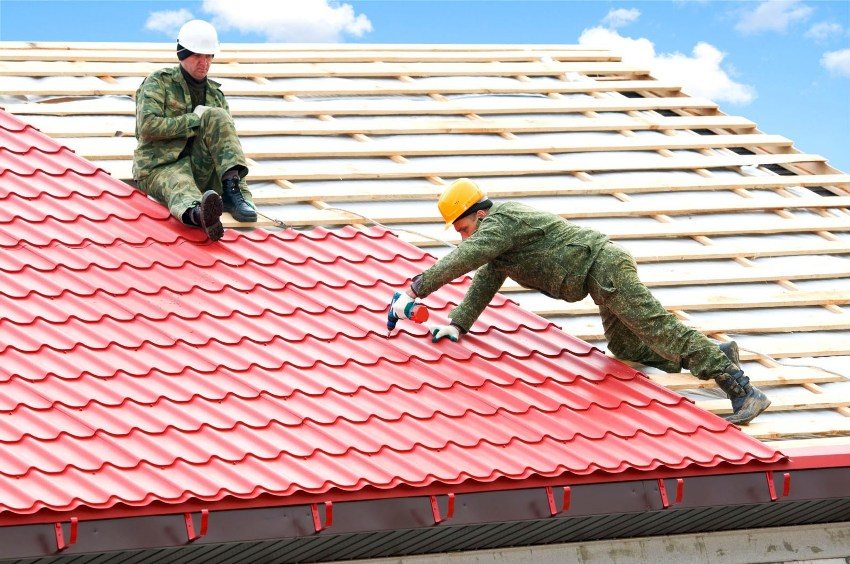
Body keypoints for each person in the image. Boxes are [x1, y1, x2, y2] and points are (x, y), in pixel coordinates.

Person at [392, 178, 771, 425]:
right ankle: (718, 354)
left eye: (463, 229)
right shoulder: (498, 243)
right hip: (596, 276)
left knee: (660, 330)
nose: (463, 238)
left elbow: (465, 258)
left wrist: (414, 290)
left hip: (604, 267)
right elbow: (484, 281)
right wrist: (457, 325)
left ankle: (742, 390)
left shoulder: (500, 222)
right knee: (625, 348)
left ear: (479, 214)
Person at [132, 19, 257, 241]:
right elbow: (147, 127)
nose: (204, 62)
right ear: (183, 54)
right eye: (198, 56)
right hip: (160, 166)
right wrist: (193, 120)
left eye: (209, 56)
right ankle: (200, 214)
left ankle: (230, 193)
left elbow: (227, 149)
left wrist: (243, 195)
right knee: (179, 183)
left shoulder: (216, 95)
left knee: (218, 116)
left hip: (200, 168)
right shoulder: (159, 83)